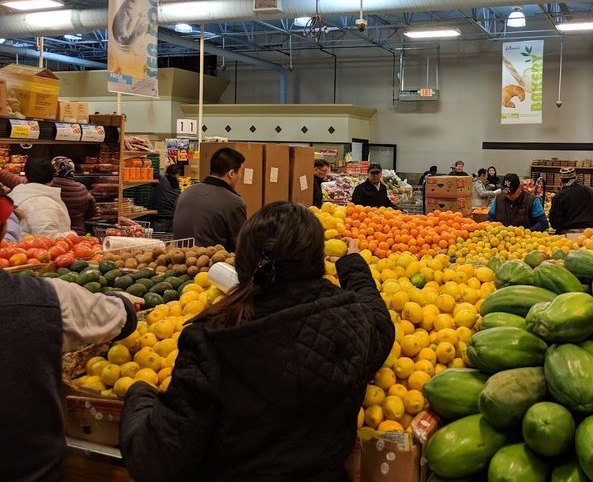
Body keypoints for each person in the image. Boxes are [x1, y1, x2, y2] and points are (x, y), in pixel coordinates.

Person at [120, 202, 394, 481]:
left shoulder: (211, 340)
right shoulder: (353, 322)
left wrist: (139, 393)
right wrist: (352, 264)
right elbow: (380, 322)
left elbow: (154, 462)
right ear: (318, 260)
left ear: (243, 261)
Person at [0, 184, 140, 481]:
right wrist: (120, 300)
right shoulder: (49, 298)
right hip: (31, 469)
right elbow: (122, 318)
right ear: (3, 232)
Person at [173, 147, 247, 251]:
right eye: (240, 172)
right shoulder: (234, 203)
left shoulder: (185, 193)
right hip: (213, 260)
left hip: (178, 258)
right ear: (231, 174)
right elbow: (242, 248)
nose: (240, 176)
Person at [0, 156, 96, 235]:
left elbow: (11, 179)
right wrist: (72, 234)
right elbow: (46, 236)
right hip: (71, 236)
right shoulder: (81, 189)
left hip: (27, 247)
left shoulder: (22, 191)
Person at [5, 157, 71, 239]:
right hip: (39, 247)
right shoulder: (42, 203)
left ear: (26, 176)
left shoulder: (20, 194)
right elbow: (46, 237)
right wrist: (72, 235)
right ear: (52, 178)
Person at [549, 167, 593, 236]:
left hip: (569, 234)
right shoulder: (589, 191)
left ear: (560, 180)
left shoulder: (560, 196)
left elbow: (555, 222)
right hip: (591, 233)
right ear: (576, 177)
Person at [148, 164, 181, 233]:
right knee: (169, 238)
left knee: (157, 238)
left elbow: (150, 172)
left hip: (159, 217)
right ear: (177, 174)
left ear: (166, 172)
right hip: (172, 217)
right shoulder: (177, 185)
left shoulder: (161, 179)